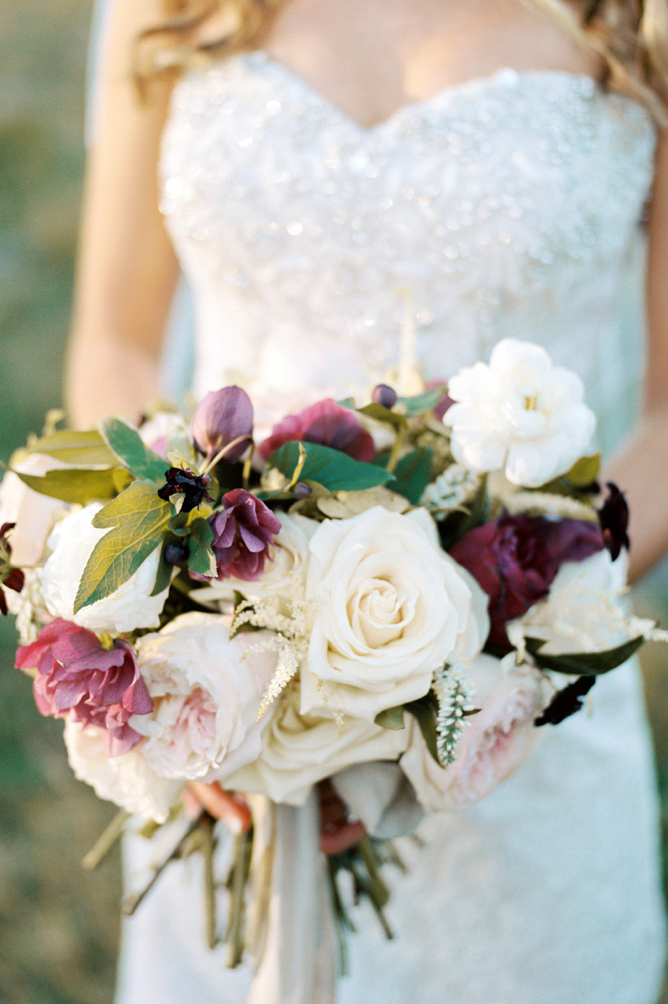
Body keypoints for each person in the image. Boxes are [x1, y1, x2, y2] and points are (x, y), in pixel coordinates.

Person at [65, 1, 668, 1001]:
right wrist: (182, 625)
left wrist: (492, 643)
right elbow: (115, 341)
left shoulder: (635, 17)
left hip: (519, 716)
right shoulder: (170, 9)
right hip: (226, 705)